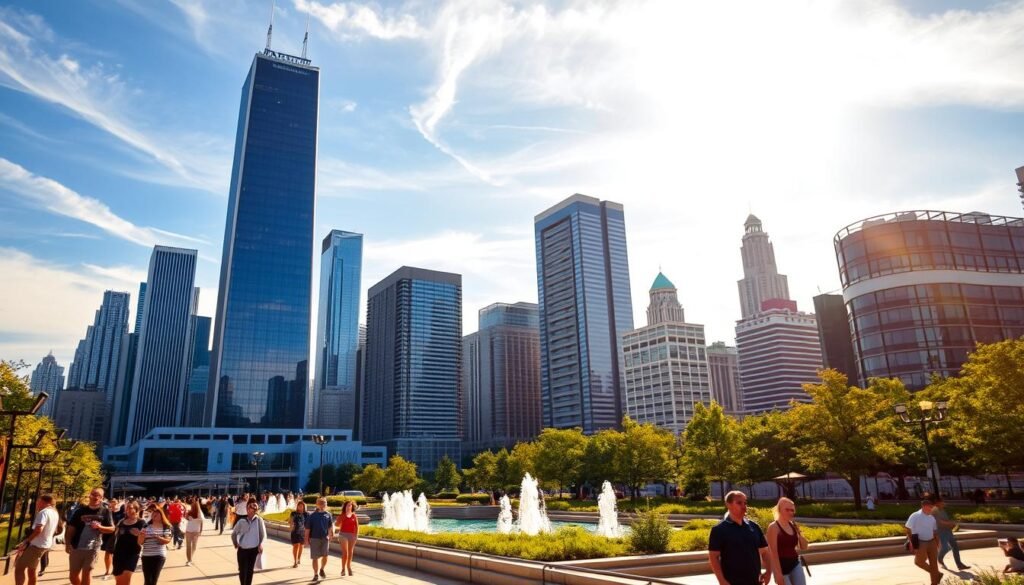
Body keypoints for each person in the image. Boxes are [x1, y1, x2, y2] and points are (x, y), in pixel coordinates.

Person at [708, 491, 772, 585]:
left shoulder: (754, 527)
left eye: (745, 503)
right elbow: (713, 557)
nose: (744, 506)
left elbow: (765, 552)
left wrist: (769, 572)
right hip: (732, 581)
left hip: (755, 581)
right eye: (739, 503)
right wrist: (721, 580)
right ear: (728, 504)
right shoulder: (719, 530)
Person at [66, 488, 116, 585]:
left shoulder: (105, 511)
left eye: (98, 495)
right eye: (93, 494)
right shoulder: (79, 511)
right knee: (73, 576)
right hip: (77, 547)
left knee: (87, 572)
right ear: (90, 495)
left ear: (102, 498)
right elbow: (71, 529)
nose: (95, 497)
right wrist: (67, 544)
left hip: (93, 548)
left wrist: (100, 527)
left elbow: (112, 529)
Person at [13, 493, 60, 585]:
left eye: (39, 501)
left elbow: (39, 529)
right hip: (44, 545)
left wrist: (26, 541)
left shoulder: (44, 512)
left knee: (19, 568)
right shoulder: (54, 512)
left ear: (44, 502)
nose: (37, 503)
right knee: (32, 570)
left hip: (36, 545)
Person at [767, 497, 809, 585]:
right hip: (781, 567)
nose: (790, 512)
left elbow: (804, 547)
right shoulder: (773, 527)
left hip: (794, 564)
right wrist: (778, 574)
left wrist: (799, 533)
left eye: (792, 510)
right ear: (779, 510)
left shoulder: (793, 525)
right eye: (787, 510)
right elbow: (773, 552)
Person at [905, 499, 941, 585]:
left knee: (934, 563)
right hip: (920, 542)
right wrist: (911, 543)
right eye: (930, 507)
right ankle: (937, 574)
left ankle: (934, 582)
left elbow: (935, 532)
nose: (931, 509)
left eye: (931, 507)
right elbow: (908, 529)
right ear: (923, 506)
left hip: (932, 542)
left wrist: (938, 543)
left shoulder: (932, 518)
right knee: (918, 562)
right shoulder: (915, 515)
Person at [110, 500, 146, 585]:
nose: (128, 510)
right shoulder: (121, 522)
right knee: (119, 581)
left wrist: (139, 534)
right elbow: (115, 536)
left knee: (126, 579)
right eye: (127, 508)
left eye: (131, 508)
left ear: (136, 509)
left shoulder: (141, 522)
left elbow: (143, 541)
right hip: (118, 553)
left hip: (132, 554)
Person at [232, 499, 266, 585]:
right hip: (242, 550)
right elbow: (234, 534)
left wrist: (261, 544)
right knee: (242, 571)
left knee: (250, 571)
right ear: (247, 508)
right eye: (252, 506)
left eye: (255, 506)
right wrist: (236, 543)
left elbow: (263, 535)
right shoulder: (241, 521)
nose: (254, 508)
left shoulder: (259, 520)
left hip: (253, 550)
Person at [930, 495, 969, 571]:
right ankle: (939, 558)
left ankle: (959, 564)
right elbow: (939, 522)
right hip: (941, 532)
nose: (944, 503)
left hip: (948, 531)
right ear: (938, 503)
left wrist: (952, 524)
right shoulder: (935, 510)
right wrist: (950, 523)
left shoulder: (942, 510)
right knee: (945, 548)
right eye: (942, 502)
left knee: (955, 547)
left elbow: (945, 520)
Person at [141, 504, 172, 585]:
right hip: (146, 555)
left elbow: (167, 540)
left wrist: (157, 537)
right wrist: (141, 535)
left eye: (157, 513)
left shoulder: (166, 526)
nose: (155, 514)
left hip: (159, 555)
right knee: (147, 580)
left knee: (153, 580)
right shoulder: (146, 526)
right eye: (153, 513)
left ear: (161, 515)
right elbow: (140, 542)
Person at [305, 497, 334, 581]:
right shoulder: (312, 516)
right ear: (316, 504)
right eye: (320, 503)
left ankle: (322, 569)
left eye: (324, 503)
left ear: (326, 504)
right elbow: (307, 529)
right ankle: (315, 574)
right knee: (315, 558)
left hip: (325, 539)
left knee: (325, 556)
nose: (322, 504)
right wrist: (306, 540)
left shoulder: (328, 515)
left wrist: (330, 535)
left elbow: (330, 527)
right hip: (314, 539)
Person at [99, 498, 123, 581]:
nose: (113, 504)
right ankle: (108, 570)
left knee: (115, 554)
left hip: (118, 535)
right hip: (108, 534)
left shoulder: (121, 513)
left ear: (117, 503)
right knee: (108, 553)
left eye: (115, 502)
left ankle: (115, 569)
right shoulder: (106, 512)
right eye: (112, 502)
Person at [336, 500, 359, 577]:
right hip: (343, 535)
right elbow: (337, 524)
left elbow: (357, 526)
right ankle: (343, 569)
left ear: (352, 507)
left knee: (350, 552)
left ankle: (349, 567)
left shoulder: (354, 515)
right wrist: (340, 520)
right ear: (345, 507)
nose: (349, 507)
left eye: (350, 505)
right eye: (347, 505)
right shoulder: (342, 515)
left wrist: (356, 535)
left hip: (352, 535)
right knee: (345, 553)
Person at [288, 500, 309, 568]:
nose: (300, 507)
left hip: (303, 532)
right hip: (295, 532)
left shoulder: (306, 514)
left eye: (302, 506)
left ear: (304, 507)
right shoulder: (293, 513)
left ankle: (299, 559)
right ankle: (295, 561)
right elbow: (290, 521)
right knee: (295, 546)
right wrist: (291, 526)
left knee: (301, 546)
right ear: (297, 506)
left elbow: (309, 523)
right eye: (299, 506)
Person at [185, 499, 204, 566]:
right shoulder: (190, 512)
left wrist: (200, 531)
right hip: (190, 531)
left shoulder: (199, 514)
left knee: (193, 547)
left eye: (193, 505)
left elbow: (201, 521)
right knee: (189, 546)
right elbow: (186, 518)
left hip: (194, 531)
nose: (192, 506)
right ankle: (189, 560)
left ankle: (190, 559)